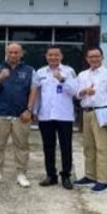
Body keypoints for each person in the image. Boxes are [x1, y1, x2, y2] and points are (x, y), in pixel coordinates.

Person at [0, 43, 38, 187]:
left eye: (16, 52)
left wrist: (29, 110)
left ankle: (21, 174)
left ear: (21, 54)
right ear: (6, 53)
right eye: (10, 52)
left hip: (21, 115)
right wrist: (0, 78)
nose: (13, 55)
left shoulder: (29, 70)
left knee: (22, 145)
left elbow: (34, 90)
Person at [74, 47, 107, 193]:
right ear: (87, 59)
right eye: (91, 57)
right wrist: (84, 91)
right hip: (87, 113)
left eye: (97, 56)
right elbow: (77, 94)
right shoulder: (82, 75)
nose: (94, 59)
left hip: (102, 112)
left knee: (102, 147)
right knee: (88, 147)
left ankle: (103, 181)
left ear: (102, 57)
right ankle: (90, 176)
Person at [34, 47, 78, 190]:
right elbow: (37, 94)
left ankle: (66, 175)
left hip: (64, 115)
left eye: (56, 55)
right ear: (46, 57)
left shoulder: (69, 71)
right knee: (48, 147)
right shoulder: (40, 72)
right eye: (50, 55)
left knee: (65, 147)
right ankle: (50, 175)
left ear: (61, 56)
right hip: (45, 115)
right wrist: (34, 111)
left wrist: (62, 79)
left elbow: (75, 92)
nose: (53, 57)